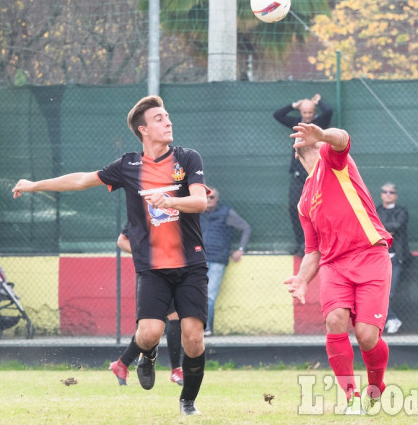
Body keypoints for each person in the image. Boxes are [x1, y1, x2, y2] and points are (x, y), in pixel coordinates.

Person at [13, 95, 209, 416]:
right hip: (153, 268)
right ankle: (147, 356)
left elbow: (200, 202)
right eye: (159, 118)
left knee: (193, 338)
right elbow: (81, 180)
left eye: (168, 116)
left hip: (191, 264)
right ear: (143, 130)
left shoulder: (187, 159)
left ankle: (187, 402)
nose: (168, 121)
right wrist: (33, 184)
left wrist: (170, 201)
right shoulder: (128, 165)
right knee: (149, 333)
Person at [283, 122, 393, 415]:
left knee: (367, 335)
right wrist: (304, 280)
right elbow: (313, 250)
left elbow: (342, 138)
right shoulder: (304, 202)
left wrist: (321, 135)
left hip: (370, 255)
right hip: (334, 265)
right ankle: (351, 397)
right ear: (298, 152)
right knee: (335, 320)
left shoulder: (332, 160)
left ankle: (375, 386)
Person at [109, 226, 185, 386]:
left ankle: (122, 364)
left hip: (175, 273)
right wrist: (146, 257)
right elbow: (122, 241)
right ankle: (176, 370)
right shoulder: (143, 214)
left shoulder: (177, 211)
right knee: (151, 330)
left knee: (174, 319)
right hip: (152, 276)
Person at [273, 93, 333, 257]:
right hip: (297, 175)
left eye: (310, 113)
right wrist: (294, 105)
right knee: (295, 208)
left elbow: (329, 111)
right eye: (305, 113)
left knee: (317, 210)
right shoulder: (296, 123)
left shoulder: (319, 124)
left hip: (315, 173)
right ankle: (302, 243)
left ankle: (319, 243)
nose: (307, 116)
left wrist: (318, 102)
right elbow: (277, 115)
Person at [199, 187, 251, 336]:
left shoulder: (226, 213)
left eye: (212, 197)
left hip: (217, 259)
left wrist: (240, 249)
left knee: (209, 294)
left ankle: (205, 328)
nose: (208, 200)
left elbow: (246, 228)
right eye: (206, 197)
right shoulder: (197, 212)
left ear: (217, 199)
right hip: (199, 259)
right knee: (197, 294)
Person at [375, 182, 410, 335]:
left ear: (396, 195)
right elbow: (370, 226)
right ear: (381, 194)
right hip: (378, 258)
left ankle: (391, 319)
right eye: (385, 192)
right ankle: (392, 319)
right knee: (377, 293)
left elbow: (397, 225)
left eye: (391, 192)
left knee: (389, 293)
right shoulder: (375, 210)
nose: (388, 194)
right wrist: (386, 229)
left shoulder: (402, 211)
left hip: (395, 258)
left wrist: (381, 228)